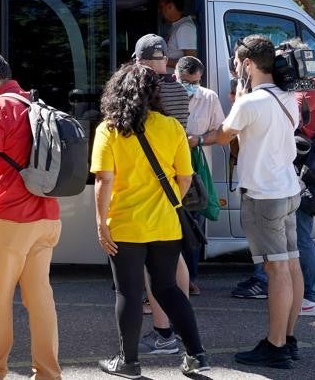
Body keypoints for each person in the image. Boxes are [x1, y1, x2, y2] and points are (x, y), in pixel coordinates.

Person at [92, 64, 209, 377]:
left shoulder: (109, 129)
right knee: (168, 288)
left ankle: (128, 363)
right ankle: (196, 355)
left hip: (125, 224)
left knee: (128, 292)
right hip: (165, 223)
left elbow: (104, 180)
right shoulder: (171, 127)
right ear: (154, 93)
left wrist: (101, 223)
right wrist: (167, 200)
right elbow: (185, 179)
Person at [201, 34, 303, 369]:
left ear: (246, 64)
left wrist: (191, 138)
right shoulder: (289, 96)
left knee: (275, 270)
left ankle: (274, 347)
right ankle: (288, 339)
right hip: (288, 189)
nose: (233, 66)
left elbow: (222, 135)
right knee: (290, 265)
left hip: (263, 196)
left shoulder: (249, 103)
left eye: (235, 61)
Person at [0, 49, 61, 380]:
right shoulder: (35, 103)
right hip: (46, 216)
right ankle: (48, 373)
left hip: (8, 216)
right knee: (40, 298)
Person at [231, 41, 315, 315]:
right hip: (298, 167)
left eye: (281, 60)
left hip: (303, 169)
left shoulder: (311, 87)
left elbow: (295, 118)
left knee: (299, 237)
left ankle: (311, 297)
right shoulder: (306, 86)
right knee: (301, 233)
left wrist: (250, 96)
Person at [133, 34, 191, 352]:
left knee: (152, 266)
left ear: (140, 61)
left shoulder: (142, 91)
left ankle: (163, 332)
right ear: (166, 59)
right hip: (173, 185)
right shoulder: (180, 91)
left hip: (144, 187)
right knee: (174, 258)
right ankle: (180, 324)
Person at [175, 56, 223, 295]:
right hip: (168, 168)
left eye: (194, 81)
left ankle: (190, 279)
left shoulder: (208, 97)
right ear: (176, 76)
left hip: (196, 171)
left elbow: (221, 132)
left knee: (193, 226)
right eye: (185, 81)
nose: (189, 86)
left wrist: (199, 140)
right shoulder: (165, 93)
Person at [158, 0, 197, 68]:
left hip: (176, 79)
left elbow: (190, 63)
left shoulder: (185, 28)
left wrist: (159, 61)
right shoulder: (176, 25)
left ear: (170, 6)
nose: (159, 10)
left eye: (161, 7)